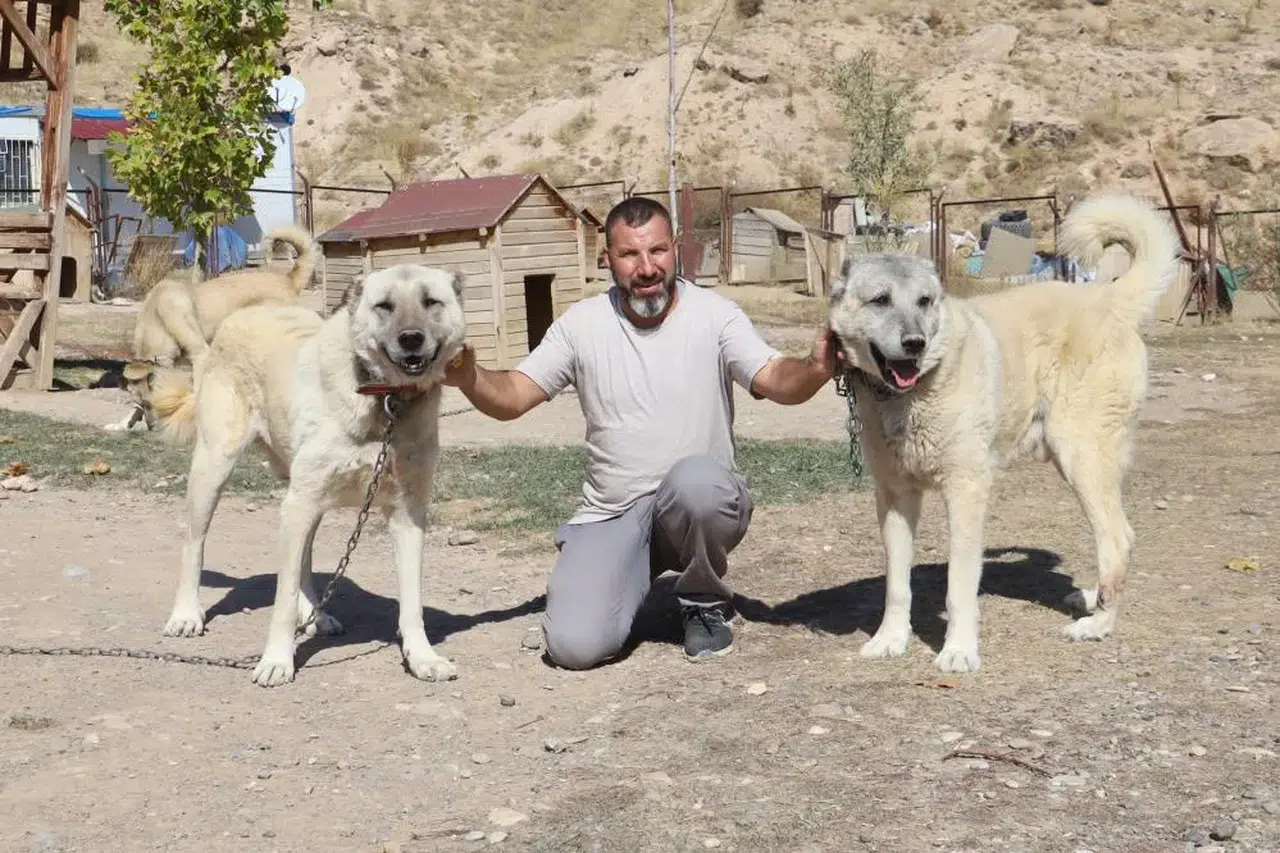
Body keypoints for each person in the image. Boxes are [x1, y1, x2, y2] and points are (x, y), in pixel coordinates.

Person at [443, 195, 836, 668]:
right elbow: (513, 396)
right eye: (629, 255)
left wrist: (814, 369)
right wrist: (469, 377)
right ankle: (628, 572)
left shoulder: (716, 315)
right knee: (574, 647)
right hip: (613, 512)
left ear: (676, 249)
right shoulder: (580, 325)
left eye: (657, 252)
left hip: (696, 504)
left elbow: (775, 379)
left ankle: (703, 603)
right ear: (606, 259)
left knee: (697, 484)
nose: (647, 268)